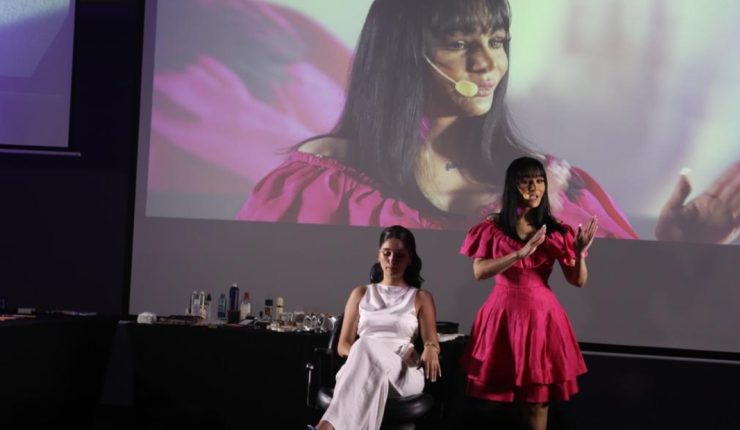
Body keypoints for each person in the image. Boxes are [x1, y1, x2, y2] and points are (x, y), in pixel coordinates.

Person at [237, 0, 638, 239]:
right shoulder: (323, 176)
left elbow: (623, 298)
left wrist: (672, 246)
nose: (488, 63)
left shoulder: (549, 182)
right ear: (402, 54)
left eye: (497, 41)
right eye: (460, 43)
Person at [459, 157, 597, 429]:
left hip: (541, 318)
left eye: (539, 180)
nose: (534, 187)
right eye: (526, 181)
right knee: (493, 403)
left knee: (537, 402)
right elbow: (479, 271)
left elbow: (577, 280)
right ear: (514, 185)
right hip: (501, 315)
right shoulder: (493, 227)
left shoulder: (556, 230)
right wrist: (519, 254)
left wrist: (580, 254)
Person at [307, 225, 441, 430]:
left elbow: (431, 339)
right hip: (360, 366)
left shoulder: (421, 297)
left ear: (410, 258)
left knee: (365, 345)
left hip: (402, 372)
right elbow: (343, 345)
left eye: (399, 255)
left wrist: (431, 346)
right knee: (364, 347)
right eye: (387, 253)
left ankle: (325, 427)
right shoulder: (360, 293)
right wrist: (367, 356)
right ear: (379, 254)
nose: (392, 260)